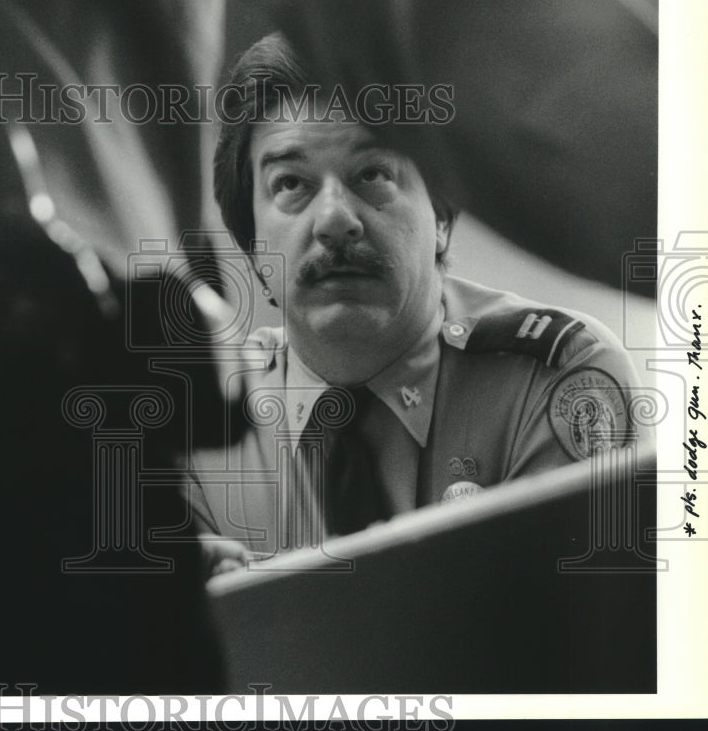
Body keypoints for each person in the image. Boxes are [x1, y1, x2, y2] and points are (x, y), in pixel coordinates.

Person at [191, 33, 645, 574]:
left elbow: (564, 645)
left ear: (441, 217)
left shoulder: (558, 383)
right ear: (253, 246)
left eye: (374, 173)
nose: (335, 219)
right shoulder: (200, 428)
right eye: (290, 183)